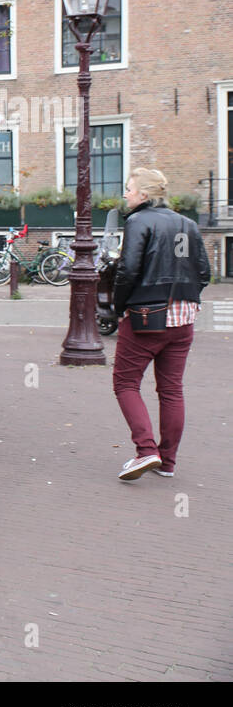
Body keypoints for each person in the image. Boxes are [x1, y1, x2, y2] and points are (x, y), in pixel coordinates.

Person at [112, 168, 210, 481]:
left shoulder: (138, 221)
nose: (125, 194)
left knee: (126, 383)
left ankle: (146, 451)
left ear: (143, 194)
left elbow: (127, 271)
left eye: (129, 189)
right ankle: (167, 462)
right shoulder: (189, 224)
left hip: (146, 316)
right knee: (171, 390)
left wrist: (119, 307)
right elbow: (204, 273)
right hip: (184, 318)